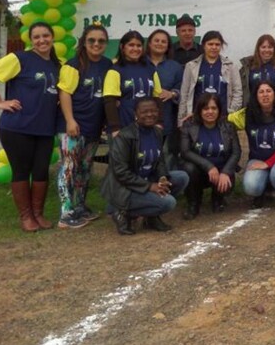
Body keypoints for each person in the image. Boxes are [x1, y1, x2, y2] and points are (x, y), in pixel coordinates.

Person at [0, 22, 61, 232]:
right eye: (36, 37)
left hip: (44, 129)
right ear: (30, 41)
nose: (42, 40)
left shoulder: (55, 65)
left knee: (41, 170)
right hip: (17, 127)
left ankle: (38, 214)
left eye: (45, 36)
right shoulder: (19, 58)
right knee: (21, 171)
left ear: (52, 37)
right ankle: (26, 217)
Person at [100, 97, 189, 235]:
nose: (150, 114)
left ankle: (151, 217)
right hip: (124, 188)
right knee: (168, 203)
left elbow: (159, 161)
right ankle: (119, 211)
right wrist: (150, 186)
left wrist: (162, 178)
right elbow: (121, 172)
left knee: (182, 177)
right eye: (145, 111)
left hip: (146, 180)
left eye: (153, 111)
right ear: (136, 114)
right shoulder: (125, 137)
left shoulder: (157, 132)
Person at [56, 24, 112, 229]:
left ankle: (79, 206)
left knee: (85, 168)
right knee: (69, 167)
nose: (96, 44)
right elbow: (64, 93)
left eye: (101, 41)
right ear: (84, 42)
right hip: (73, 126)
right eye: (92, 40)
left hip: (94, 127)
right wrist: (70, 120)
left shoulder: (107, 65)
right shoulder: (74, 65)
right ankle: (66, 212)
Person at [228, 80, 275, 210]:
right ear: (255, 96)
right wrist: (198, 116)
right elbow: (224, 121)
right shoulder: (246, 114)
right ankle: (260, 193)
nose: (265, 95)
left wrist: (267, 164)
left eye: (268, 91)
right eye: (261, 92)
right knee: (251, 187)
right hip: (258, 159)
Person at [180, 94, 241, 219]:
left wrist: (226, 172)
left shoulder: (228, 126)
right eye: (206, 108)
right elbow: (185, 151)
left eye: (214, 108)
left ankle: (218, 199)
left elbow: (236, 152)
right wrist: (209, 166)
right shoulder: (189, 125)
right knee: (188, 169)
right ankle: (193, 203)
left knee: (227, 180)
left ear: (219, 110)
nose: (210, 112)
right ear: (199, 110)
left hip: (221, 172)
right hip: (199, 172)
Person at [178, 30, 242, 125]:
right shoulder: (191, 66)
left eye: (217, 44)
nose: (214, 47)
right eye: (210, 44)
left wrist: (231, 112)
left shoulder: (231, 66)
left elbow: (237, 92)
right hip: (196, 117)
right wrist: (182, 119)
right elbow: (184, 94)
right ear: (204, 45)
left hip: (223, 117)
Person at [104, 31, 162, 134]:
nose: (135, 49)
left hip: (148, 126)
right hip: (123, 127)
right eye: (131, 45)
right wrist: (115, 128)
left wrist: (159, 122)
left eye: (139, 45)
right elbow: (110, 101)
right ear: (122, 47)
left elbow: (157, 98)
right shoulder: (115, 70)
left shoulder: (150, 69)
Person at [146, 29, 183, 168]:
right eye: (156, 40)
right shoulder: (139, 63)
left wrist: (172, 93)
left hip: (166, 118)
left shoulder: (175, 67)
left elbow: (182, 89)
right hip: (140, 119)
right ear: (149, 43)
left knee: (166, 155)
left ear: (168, 46)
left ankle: (165, 186)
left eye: (164, 41)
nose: (160, 44)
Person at [239, 34, 275, 114]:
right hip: (253, 112)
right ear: (258, 49)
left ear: (274, 49)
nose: (267, 50)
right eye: (263, 47)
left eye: (270, 47)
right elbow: (241, 91)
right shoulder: (248, 67)